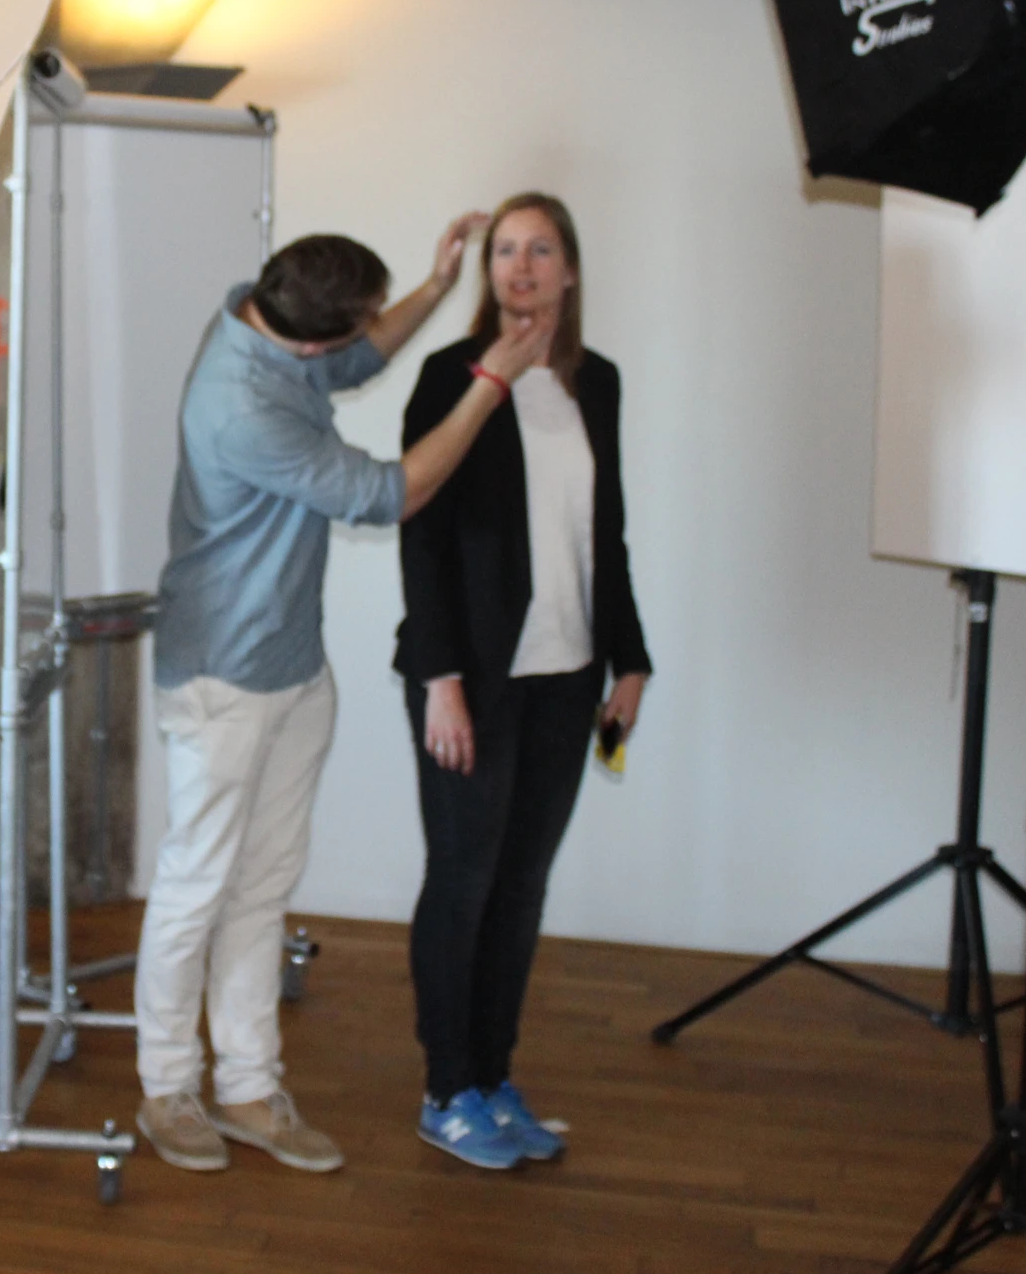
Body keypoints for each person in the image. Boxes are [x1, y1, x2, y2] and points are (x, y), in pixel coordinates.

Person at [135, 219, 554, 1176]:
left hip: (289, 667)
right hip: (221, 680)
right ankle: (167, 1087)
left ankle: (247, 1084)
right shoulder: (242, 403)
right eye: (356, 322)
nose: (366, 336)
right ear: (308, 332)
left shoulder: (260, 317)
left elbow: (359, 354)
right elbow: (397, 490)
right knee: (197, 886)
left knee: (262, 886)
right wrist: (491, 380)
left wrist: (444, 283)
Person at [395, 192, 651, 1169]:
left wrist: (631, 658)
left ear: (570, 269)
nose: (521, 266)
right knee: (461, 882)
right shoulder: (446, 376)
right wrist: (439, 678)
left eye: (541, 248)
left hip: (566, 677)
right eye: (505, 249)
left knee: (519, 885)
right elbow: (418, 533)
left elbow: (607, 530)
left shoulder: (600, 383)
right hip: (474, 679)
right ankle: (444, 1087)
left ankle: (493, 1078)